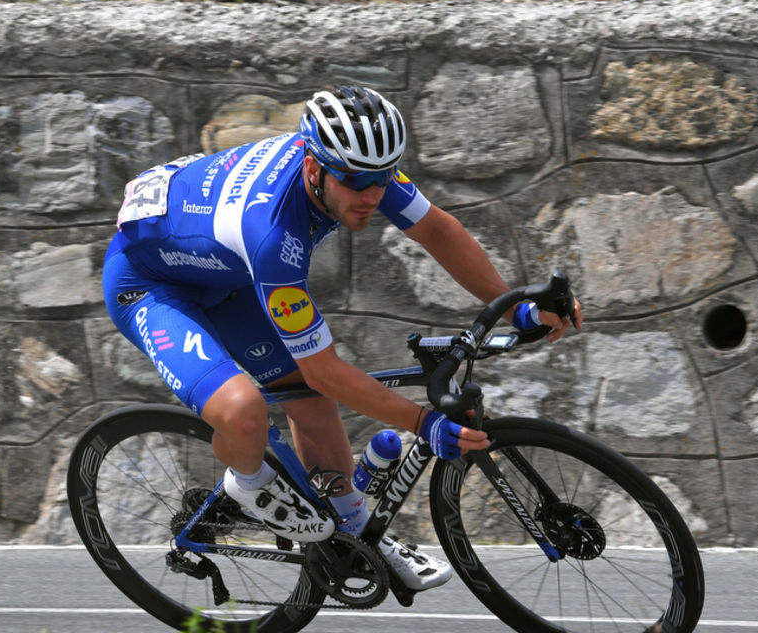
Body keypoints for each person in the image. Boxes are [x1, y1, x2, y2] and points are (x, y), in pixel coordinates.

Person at [101, 84, 582, 591]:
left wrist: (516, 307)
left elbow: (436, 230)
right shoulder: (272, 235)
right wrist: (424, 421)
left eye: (382, 178)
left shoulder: (355, 167)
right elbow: (325, 369)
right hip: (150, 285)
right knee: (245, 410)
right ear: (315, 169)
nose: (372, 196)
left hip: (227, 276)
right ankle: (246, 485)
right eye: (357, 183)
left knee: (308, 402)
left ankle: (355, 531)